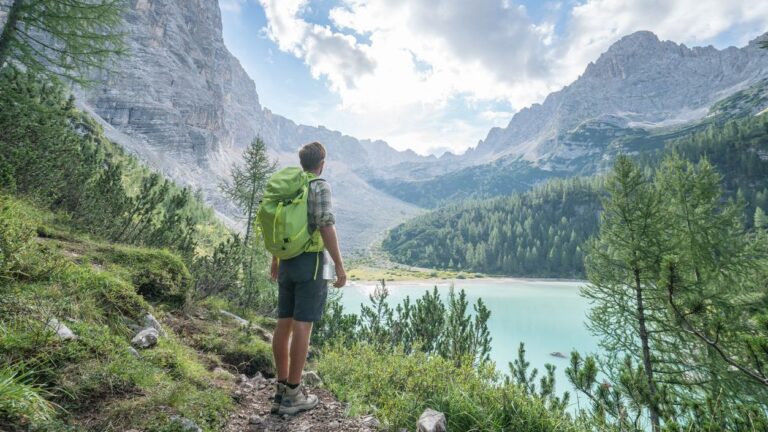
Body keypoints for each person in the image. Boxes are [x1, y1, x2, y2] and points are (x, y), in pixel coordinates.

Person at [269, 141, 347, 416]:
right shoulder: (319, 186)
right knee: (303, 326)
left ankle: (280, 392)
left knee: (283, 323)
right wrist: (339, 265)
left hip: (287, 261)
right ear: (321, 163)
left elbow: (279, 225)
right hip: (311, 263)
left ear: (302, 162)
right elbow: (325, 224)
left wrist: (276, 258)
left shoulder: (291, 187)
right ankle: (294, 394)